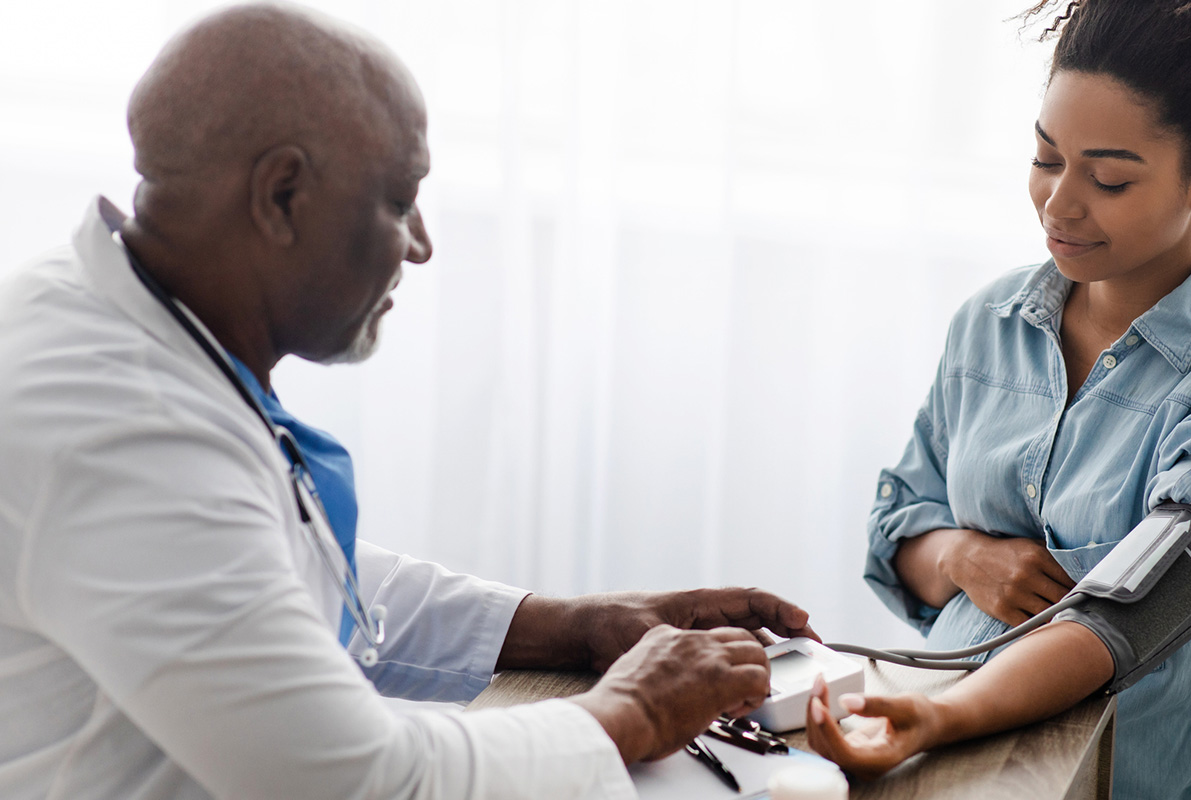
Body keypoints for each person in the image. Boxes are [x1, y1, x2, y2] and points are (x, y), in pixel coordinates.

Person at [0, 4, 816, 799]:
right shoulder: (124, 433)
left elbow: (269, 569)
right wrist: (633, 709)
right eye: (398, 201)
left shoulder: (108, 310)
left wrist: (577, 622)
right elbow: (358, 777)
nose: (420, 246)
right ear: (281, 196)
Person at [805, 1, 1191, 797]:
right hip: (966, 759)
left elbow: (1137, 614)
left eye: (1109, 178)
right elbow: (901, 534)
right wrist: (966, 558)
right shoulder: (990, 326)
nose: (1060, 203)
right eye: (1045, 157)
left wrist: (946, 717)